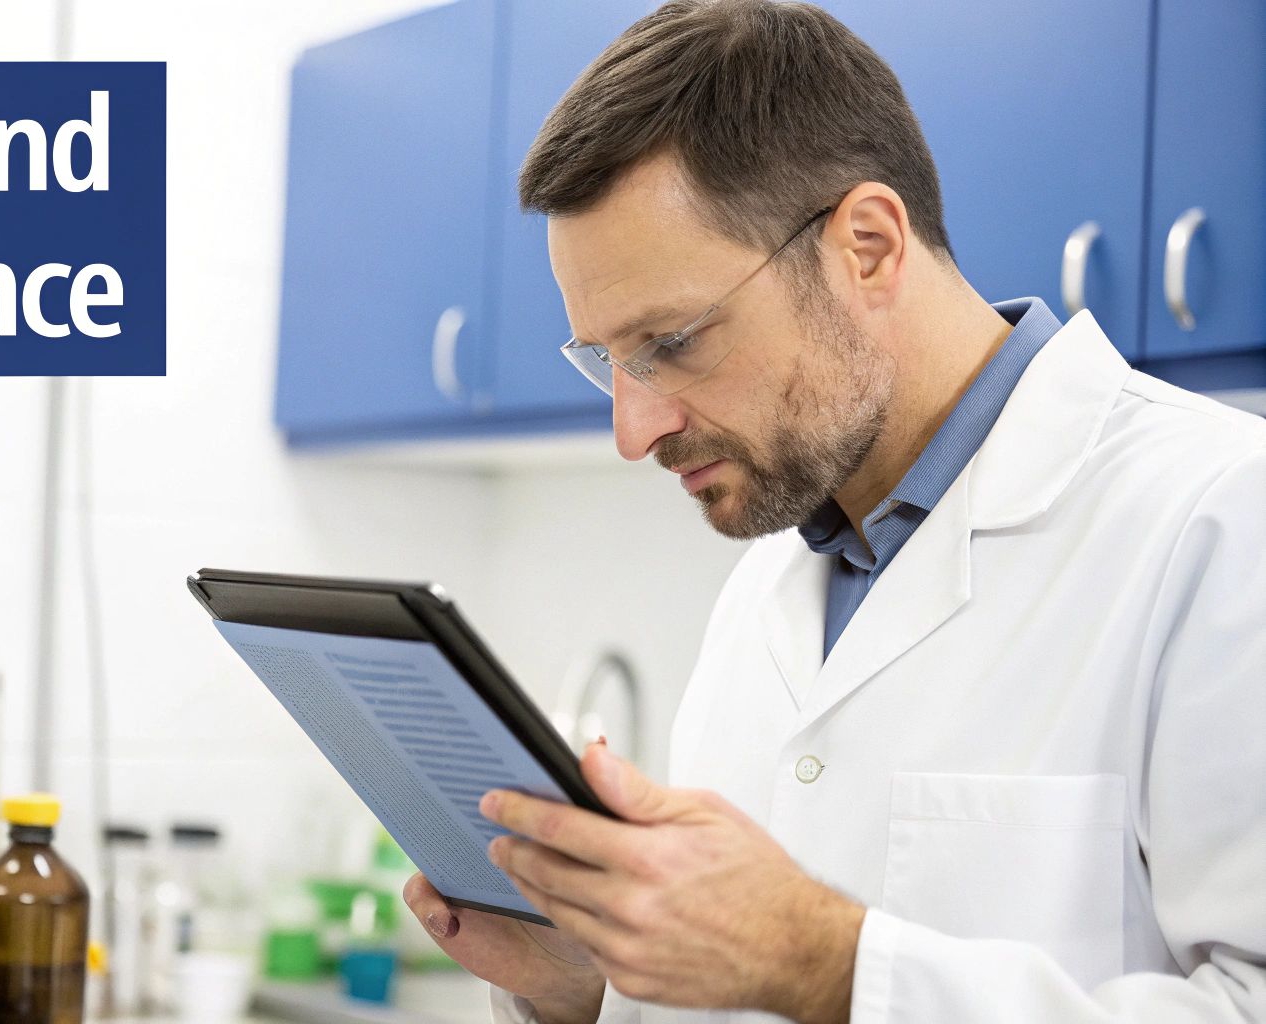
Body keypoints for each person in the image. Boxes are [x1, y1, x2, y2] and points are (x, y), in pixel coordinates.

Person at [398, 1, 1266, 1021]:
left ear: (865, 246)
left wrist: (826, 959)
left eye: (669, 341)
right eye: (605, 362)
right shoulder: (770, 576)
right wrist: (583, 986)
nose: (632, 430)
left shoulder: (1218, 520)